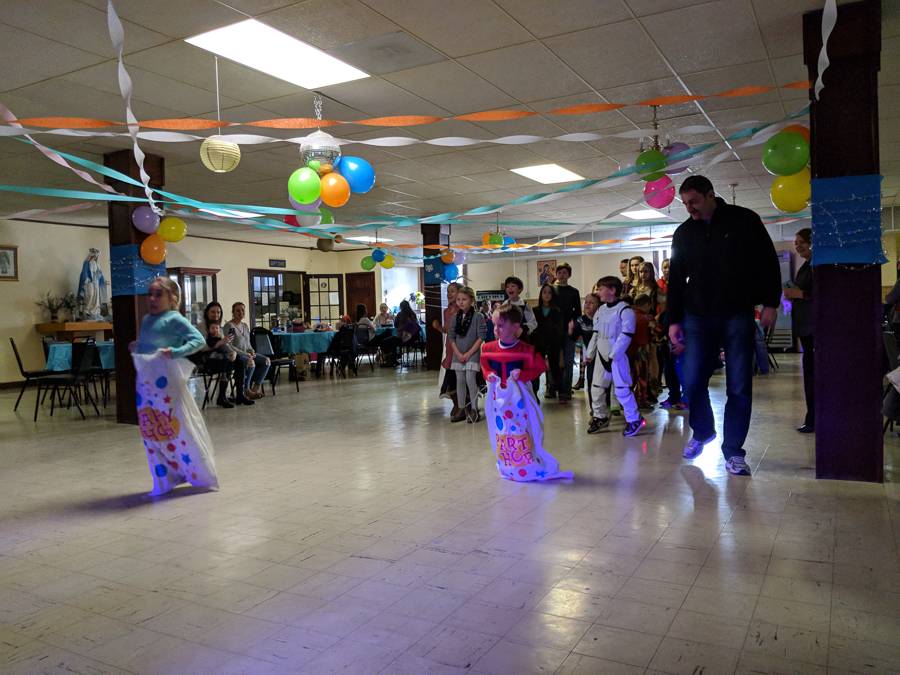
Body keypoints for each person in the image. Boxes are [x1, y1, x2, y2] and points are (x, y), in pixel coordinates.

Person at [667, 175, 782, 476]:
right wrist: (673, 320)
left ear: (711, 195)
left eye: (694, 201)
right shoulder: (684, 233)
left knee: (739, 385)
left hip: (737, 312)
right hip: (697, 315)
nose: (689, 208)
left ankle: (733, 451)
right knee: (692, 379)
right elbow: (676, 279)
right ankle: (703, 431)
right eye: (685, 203)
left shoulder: (744, 220)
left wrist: (771, 302)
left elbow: (767, 261)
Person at [130, 277, 218, 495]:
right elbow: (150, 344)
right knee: (152, 430)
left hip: (167, 384)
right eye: (150, 294)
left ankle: (198, 471)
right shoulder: (148, 319)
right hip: (147, 385)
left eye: (158, 294)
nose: (152, 299)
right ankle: (165, 476)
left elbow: (198, 340)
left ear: (172, 298)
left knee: (178, 427)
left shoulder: (174, 319)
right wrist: (138, 347)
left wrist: (176, 352)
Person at [585, 276, 645, 437]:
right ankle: (600, 416)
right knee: (597, 388)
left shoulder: (625, 310)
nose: (598, 292)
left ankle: (634, 419)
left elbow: (626, 335)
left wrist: (614, 354)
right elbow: (596, 333)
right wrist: (590, 353)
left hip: (617, 357)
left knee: (622, 389)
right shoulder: (601, 310)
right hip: (601, 356)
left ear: (612, 290)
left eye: (601, 289)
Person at [783, 227, 814, 433]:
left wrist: (798, 294)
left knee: (812, 374)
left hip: (812, 327)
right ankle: (812, 417)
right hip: (805, 326)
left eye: (801, 242)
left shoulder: (816, 265)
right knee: (809, 373)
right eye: (796, 243)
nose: (798, 246)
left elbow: (821, 293)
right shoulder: (807, 265)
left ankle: (813, 419)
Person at [448, 287, 486, 423]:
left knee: (470, 379)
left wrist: (469, 353)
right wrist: (458, 353)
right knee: (460, 380)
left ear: (471, 300)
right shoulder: (455, 317)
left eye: (464, 299)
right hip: (458, 354)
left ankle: (474, 409)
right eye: (458, 299)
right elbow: (451, 336)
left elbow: (481, 336)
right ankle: (462, 408)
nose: (461, 302)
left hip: (472, 353)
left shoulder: (478, 317)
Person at [224, 302, 270, 400]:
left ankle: (256, 387)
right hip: (237, 356)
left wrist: (252, 350)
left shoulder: (245, 325)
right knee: (250, 362)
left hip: (247, 353)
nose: (241, 312)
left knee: (266, 361)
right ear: (233, 312)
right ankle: (246, 389)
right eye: (238, 310)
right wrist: (246, 354)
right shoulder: (229, 326)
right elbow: (230, 345)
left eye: (242, 310)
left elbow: (248, 344)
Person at [532, 283, 565, 402]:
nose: (547, 295)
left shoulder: (557, 311)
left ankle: (561, 393)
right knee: (536, 369)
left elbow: (559, 330)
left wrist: (557, 344)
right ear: (541, 294)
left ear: (553, 295)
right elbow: (533, 328)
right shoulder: (535, 310)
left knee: (555, 368)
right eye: (544, 292)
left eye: (549, 292)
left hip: (553, 343)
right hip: (538, 343)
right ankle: (534, 393)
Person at [553, 262, 580, 402]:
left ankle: (566, 390)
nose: (562, 275)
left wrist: (573, 325)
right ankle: (553, 388)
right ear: (556, 274)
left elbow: (578, 313)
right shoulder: (551, 290)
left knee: (569, 362)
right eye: (560, 272)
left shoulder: (574, 292)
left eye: (565, 273)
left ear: (569, 275)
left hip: (569, 331)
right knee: (554, 361)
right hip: (553, 331)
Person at [435, 282, 461, 403]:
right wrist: (438, 327)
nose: (449, 294)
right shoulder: (446, 311)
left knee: (460, 374)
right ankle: (456, 403)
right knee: (452, 372)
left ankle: (466, 404)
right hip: (450, 346)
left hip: (461, 346)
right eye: (448, 291)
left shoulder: (462, 310)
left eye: (452, 291)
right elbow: (446, 330)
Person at [573, 293, 601, 407]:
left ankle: (606, 405)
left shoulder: (602, 318)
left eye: (591, 302)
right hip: (590, 356)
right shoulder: (581, 320)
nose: (587, 305)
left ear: (598, 305)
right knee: (591, 380)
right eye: (586, 302)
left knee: (603, 382)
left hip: (603, 355)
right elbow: (574, 337)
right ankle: (593, 407)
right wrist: (571, 331)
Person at [629, 295, 654, 410]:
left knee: (630, 376)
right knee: (642, 376)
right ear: (647, 305)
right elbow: (657, 332)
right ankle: (641, 400)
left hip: (628, 350)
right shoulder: (646, 318)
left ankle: (627, 400)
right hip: (641, 350)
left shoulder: (629, 315)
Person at [381, 300, 419, 367]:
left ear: (401, 307)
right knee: (393, 342)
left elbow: (395, 325)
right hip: (413, 339)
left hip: (402, 338)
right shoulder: (413, 314)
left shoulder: (400, 314)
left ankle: (390, 360)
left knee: (384, 342)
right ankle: (394, 359)